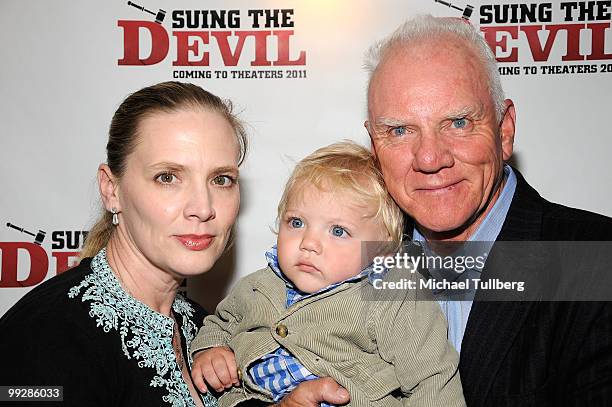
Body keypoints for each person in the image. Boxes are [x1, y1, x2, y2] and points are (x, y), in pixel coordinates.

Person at [363, 15, 612, 407]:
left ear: (505, 130)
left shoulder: (598, 261)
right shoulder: (348, 266)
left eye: (458, 122)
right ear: (374, 148)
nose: (430, 158)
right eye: (399, 130)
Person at [0, 81, 248, 406]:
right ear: (111, 190)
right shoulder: (46, 336)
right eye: (168, 177)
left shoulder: (204, 327)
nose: (203, 207)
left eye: (221, 179)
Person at [189, 141, 465, 407]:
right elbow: (220, 324)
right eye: (296, 222)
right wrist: (210, 350)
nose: (308, 242)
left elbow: (432, 379)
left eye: (337, 231)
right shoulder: (257, 286)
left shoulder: (393, 296)